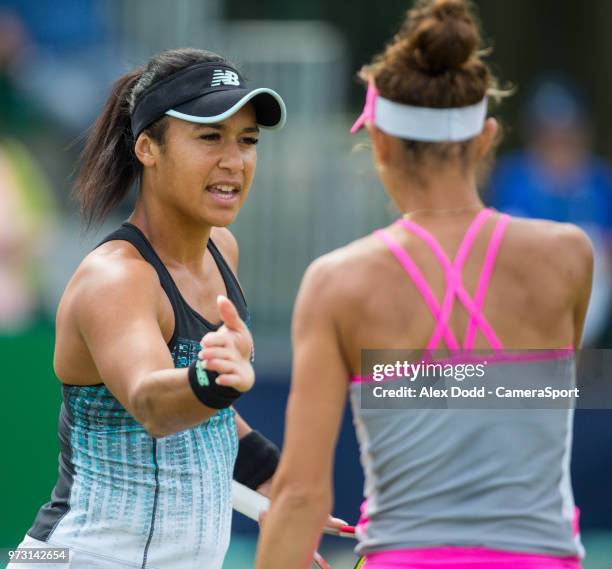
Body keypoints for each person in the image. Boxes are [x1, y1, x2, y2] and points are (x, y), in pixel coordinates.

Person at [255, 1, 592, 568]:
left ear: (380, 145)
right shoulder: (568, 257)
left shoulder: (337, 283)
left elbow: (302, 497)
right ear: (486, 138)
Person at [8, 48, 287, 569]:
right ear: (147, 148)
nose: (235, 160)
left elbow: (208, 420)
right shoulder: (116, 278)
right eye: (210, 136)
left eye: (247, 140)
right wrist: (215, 379)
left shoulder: (221, 249)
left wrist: (277, 484)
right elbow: (154, 404)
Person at [490, 77, 612, 346]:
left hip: (590, 303)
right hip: (524, 304)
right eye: (549, 132)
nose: (558, 140)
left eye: (565, 132)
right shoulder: (512, 177)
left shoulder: (601, 181)